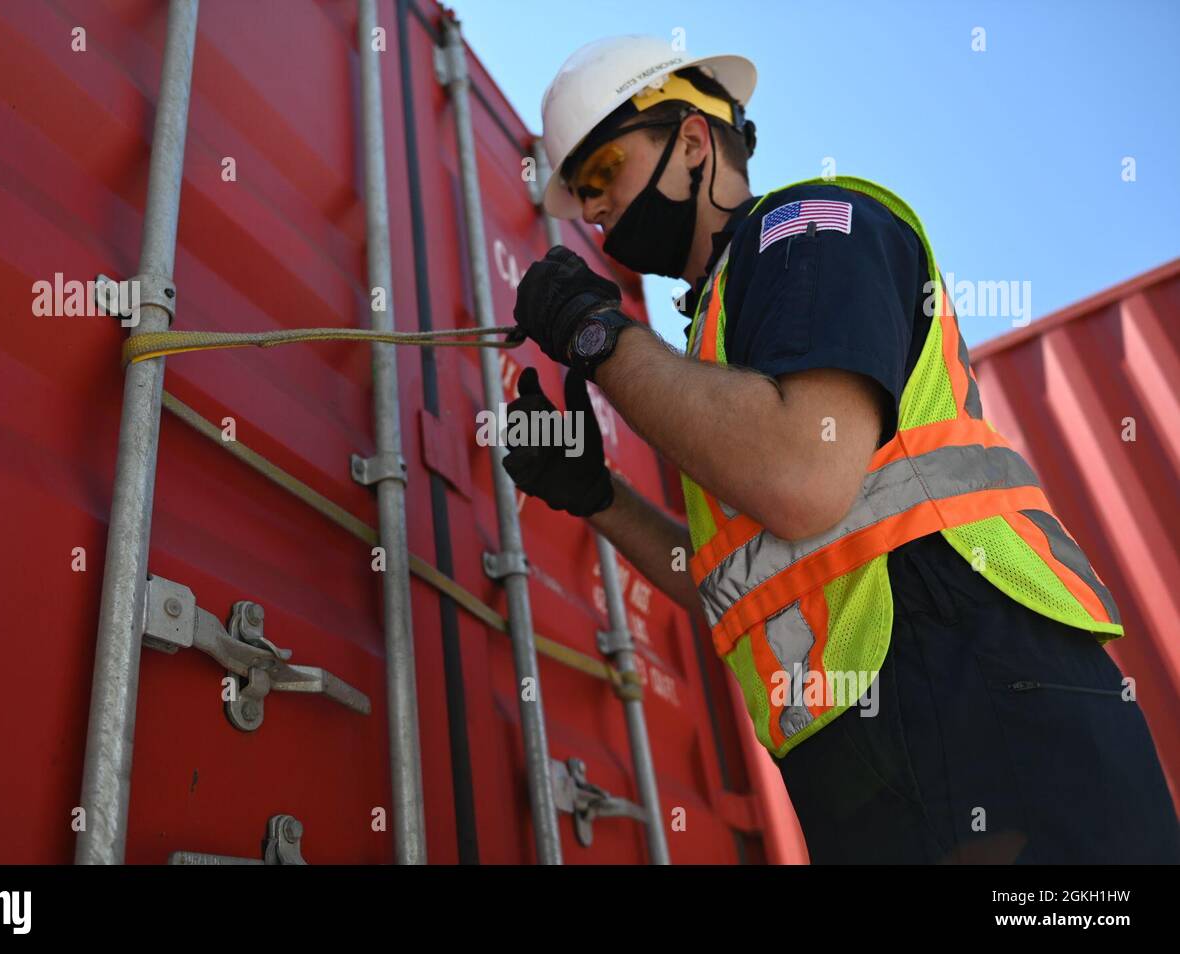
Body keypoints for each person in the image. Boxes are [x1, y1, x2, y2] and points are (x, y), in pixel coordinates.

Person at [504, 35, 1180, 863]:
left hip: (986, 705)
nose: (594, 206)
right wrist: (596, 495)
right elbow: (740, 582)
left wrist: (597, 334)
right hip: (872, 759)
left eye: (602, 171)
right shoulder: (711, 353)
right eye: (579, 192)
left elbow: (802, 481)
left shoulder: (812, 228)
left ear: (690, 141)